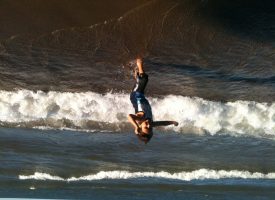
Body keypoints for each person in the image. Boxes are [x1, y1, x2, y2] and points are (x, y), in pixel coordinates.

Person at [128, 57, 178, 144]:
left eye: (146, 127)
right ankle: (137, 76)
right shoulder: (150, 123)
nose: (149, 125)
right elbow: (162, 123)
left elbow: (129, 116)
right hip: (141, 96)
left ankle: (139, 62)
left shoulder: (141, 118)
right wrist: (172, 122)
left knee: (144, 79)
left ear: (140, 127)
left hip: (135, 95)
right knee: (141, 81)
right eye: (150, 128)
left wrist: (135, 126)